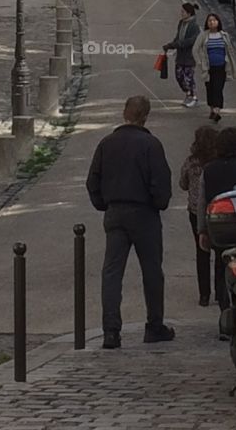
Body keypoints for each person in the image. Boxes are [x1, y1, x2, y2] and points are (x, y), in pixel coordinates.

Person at [86, 95, 175, 350]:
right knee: (152, 271)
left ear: (124, 113)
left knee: (112, 272)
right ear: (145, 116)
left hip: (115, 211)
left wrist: (104, 203)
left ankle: (110, 331)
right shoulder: (151, 145)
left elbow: (93, 180)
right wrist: (159, 202)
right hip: (143, 213)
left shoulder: (107, 143)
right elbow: (161, 183)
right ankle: (154, 325)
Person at [197, 126, 236, 333]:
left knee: (221, 269)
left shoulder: (209, 170)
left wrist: (202, 229)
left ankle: (224, 313)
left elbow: (203, 202)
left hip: (219, 228)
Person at [179, 125, 218, 306]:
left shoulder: (191, 162)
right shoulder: (218, 162)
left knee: (201, 251)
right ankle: (220, 291)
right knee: (220, 251)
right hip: (217, 210)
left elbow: (183, 184)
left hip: (196, 210)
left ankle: (204, 294)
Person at [192, 11, 236, 122]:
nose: (212, 22)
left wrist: (230, 63)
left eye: (214, 20)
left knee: (218, 88)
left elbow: (230, 50)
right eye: (210, 21)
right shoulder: (204, 36)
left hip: (221, 67)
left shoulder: (224, 35)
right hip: (208, 68)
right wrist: (200, 62)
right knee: (210, 88)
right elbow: (195, 49)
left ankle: (217, 110)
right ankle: (212, 108)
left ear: (218, 22)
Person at [162, 2, 201, 107]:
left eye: (183, 12)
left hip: (189, 56)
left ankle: (193, 97)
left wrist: (177, 44)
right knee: (179, 76)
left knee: (189, 77)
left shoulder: (195, 27)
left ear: (189, 13)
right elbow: (178, 37)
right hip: (180, 56)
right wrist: (171, 45)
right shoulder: (181, 23)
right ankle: (187, 93)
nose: (181, 13)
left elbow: (191, 41)